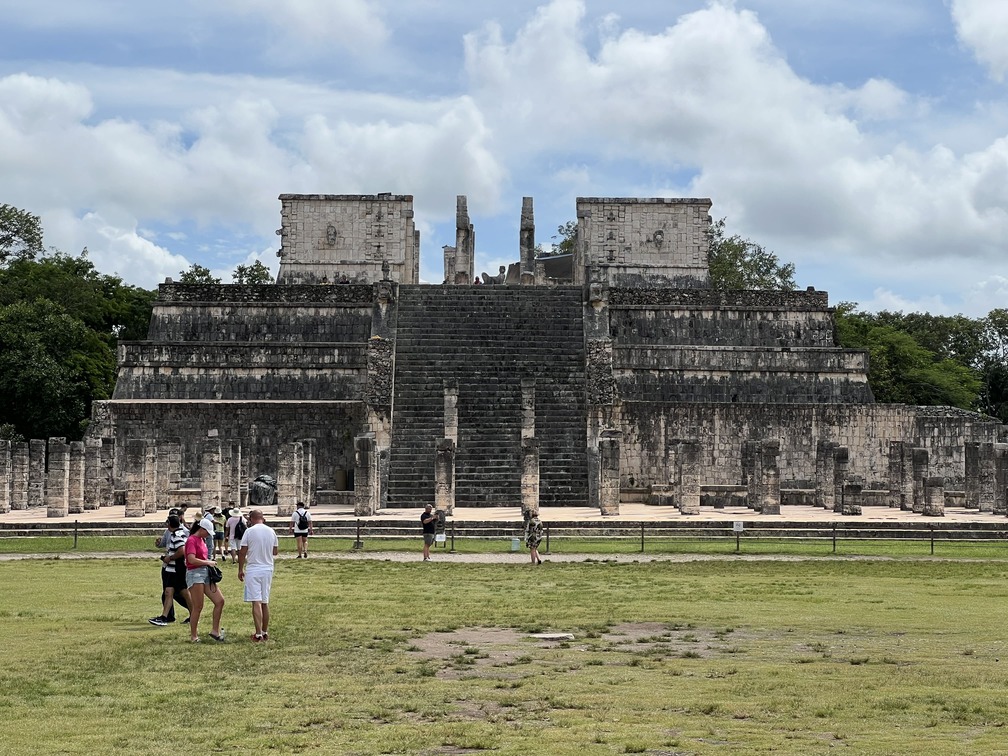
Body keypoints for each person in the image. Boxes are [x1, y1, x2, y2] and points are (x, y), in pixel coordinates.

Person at [238, 509, 279, 642]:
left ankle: (258, 633)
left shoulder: (249, 531)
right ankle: (264, 631)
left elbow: (242, 551)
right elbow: (275, 551)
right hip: (267, 568)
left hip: (254, 568)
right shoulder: (271, 531)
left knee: (256, 600)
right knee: (264, 601)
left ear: (251, 519)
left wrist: (240, 568)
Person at [184, 517, 225, 643]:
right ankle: (194, 635)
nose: (208, 535)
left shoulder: (201, 539)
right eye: (207, 532)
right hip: (195, 573)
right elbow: (191, 559)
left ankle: (215, 630)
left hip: (205, 572)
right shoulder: (192, 540)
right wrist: (207, 562)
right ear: (201, 529)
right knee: (198, 606)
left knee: (220, 601)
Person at [149, 511, 190, 625]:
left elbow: (182, 550)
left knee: (183, 593)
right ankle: (164, 617)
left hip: (176, 569)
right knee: (168, 592)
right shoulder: (177, 533)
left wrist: (170, 558)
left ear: (169, 524)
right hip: (172, 568)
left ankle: (194, 613)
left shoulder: (177, 535)